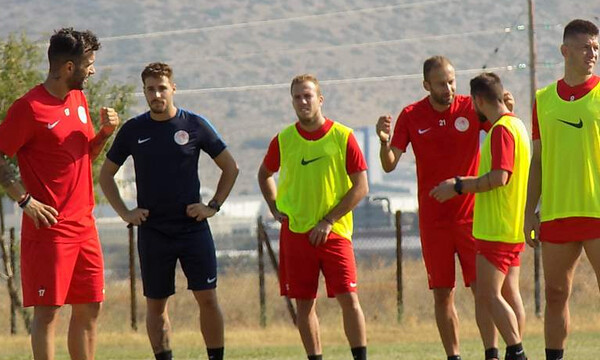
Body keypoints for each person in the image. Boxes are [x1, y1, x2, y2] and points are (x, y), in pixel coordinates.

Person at [376, 56, 521, 360]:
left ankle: (491, 353)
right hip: (433, 222)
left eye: (452, 80)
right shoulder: (412, 115)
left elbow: (502, 126)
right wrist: (383, 142)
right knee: (443, 294)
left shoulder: (472, 106)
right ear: (426, 85)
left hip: (472, 218)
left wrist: (508, 104)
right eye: (441, 83)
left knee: (483, 291)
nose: (449, 88)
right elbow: (389, 165)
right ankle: (453, 356)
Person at [99, 62, 238, 360]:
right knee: (156, 305)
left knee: (208, 298)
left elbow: (230, 167)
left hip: (192, 228)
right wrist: (126, 213)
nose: (157, 94)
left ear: (173, 88)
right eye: (150, 89)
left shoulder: (194, 125)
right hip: (153, 231)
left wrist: (212, 206)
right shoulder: (134, 130)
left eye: (162, 88)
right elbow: (106, 175)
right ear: (144, 92)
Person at [0, 28, 119, 360]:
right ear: (69, 67)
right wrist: (23, 199)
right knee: (48, 314)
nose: (92, 70)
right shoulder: (29, 107)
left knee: (89, 310)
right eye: (89, 63)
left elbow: (84, 155)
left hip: (85, 226)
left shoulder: (79, 99)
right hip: (49, 231)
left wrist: (106, 133)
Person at [257, 74, 369, 360]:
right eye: (297, 97)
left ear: (320, 99)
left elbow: (361, 187)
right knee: (304, 305)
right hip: (296, 234)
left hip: (335, 233)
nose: (302, 101)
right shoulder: (284, 139)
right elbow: (264, 174)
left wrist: (328, 220)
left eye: (308, 96)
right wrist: (274, 207)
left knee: (349, 299)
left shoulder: (343, 136)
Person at [430, 72, 530, 360]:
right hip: (511, 226)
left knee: (488, 295)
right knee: (510, 295)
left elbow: (499, 177)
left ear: (479, 100)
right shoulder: (517, 125)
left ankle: (517, 351)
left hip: (496, 227)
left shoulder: (501, 130)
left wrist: (459, 186)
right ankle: (515, 350)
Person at [523, 19, 600, 360]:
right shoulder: (543, 100)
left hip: (597, 211)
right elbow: (537, 160)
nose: (592, 54)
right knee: (555, 294)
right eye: (586, 47)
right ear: (565, 50)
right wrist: (529, 212)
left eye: (596, 48)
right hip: (555, 212)